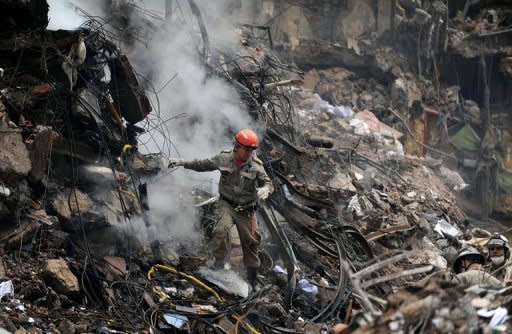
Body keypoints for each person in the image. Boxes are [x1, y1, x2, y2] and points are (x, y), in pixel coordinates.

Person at [168, 129, 274, 289]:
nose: (249, 153)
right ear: (237, 146)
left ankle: (253, 278)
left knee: (251, 242)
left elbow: (268, 182)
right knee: (220, 230)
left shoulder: (256, 166)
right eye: (247, 149)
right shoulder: (224, 158)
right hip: (227, 204)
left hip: (246, 209)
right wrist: (182, 162)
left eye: (252, 150)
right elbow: (202, 164)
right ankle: (218, 264)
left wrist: (266, 189)